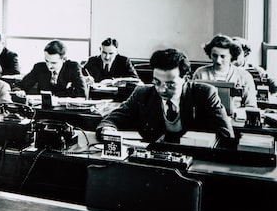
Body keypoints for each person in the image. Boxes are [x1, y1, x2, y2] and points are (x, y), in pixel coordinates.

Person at [96, 48, 234, 143]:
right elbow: (110, 120)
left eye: (170, 84)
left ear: (186, 78)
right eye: (157, 82)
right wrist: (107, 130)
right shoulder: (142, 93)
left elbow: (226, 136)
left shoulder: (204, 94)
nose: (162, 90)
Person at [192, 34, 257, 108]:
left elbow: (251, 106)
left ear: (232, 55)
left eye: (223, 56)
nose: (218, 61)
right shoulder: (200, 73)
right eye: (215, 56)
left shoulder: (244, 76)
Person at [16, 40, 87, 98]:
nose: (49, 66)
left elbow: (82, 92)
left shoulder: (73, 67)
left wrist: (55, 96)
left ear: (64, 59)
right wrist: (19, 91)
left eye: (54, 63)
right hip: (44, 109)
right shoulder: (39, 67)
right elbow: (20, 85)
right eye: (47, 61)